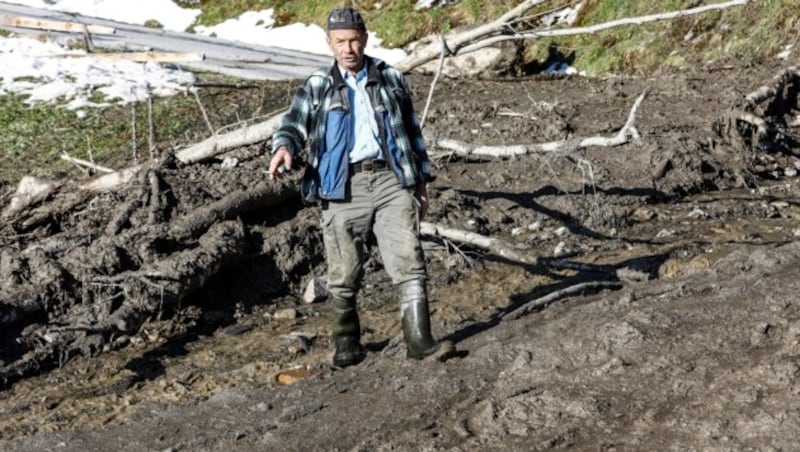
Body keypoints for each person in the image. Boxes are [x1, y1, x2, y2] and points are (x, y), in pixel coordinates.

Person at [267, 7, 455, 367]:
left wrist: (421, 182)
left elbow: (412, 134)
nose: (348, 48)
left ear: (365, 39)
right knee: (344, 272)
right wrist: (284, 148)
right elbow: (293, 123)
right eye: (340, 41)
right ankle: (347, 344)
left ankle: (420, 341)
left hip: (390, 181)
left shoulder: (390, 77)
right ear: (329, 43)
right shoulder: (317, 85)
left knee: (409, 261)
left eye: (354, 39)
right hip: (340, 185)